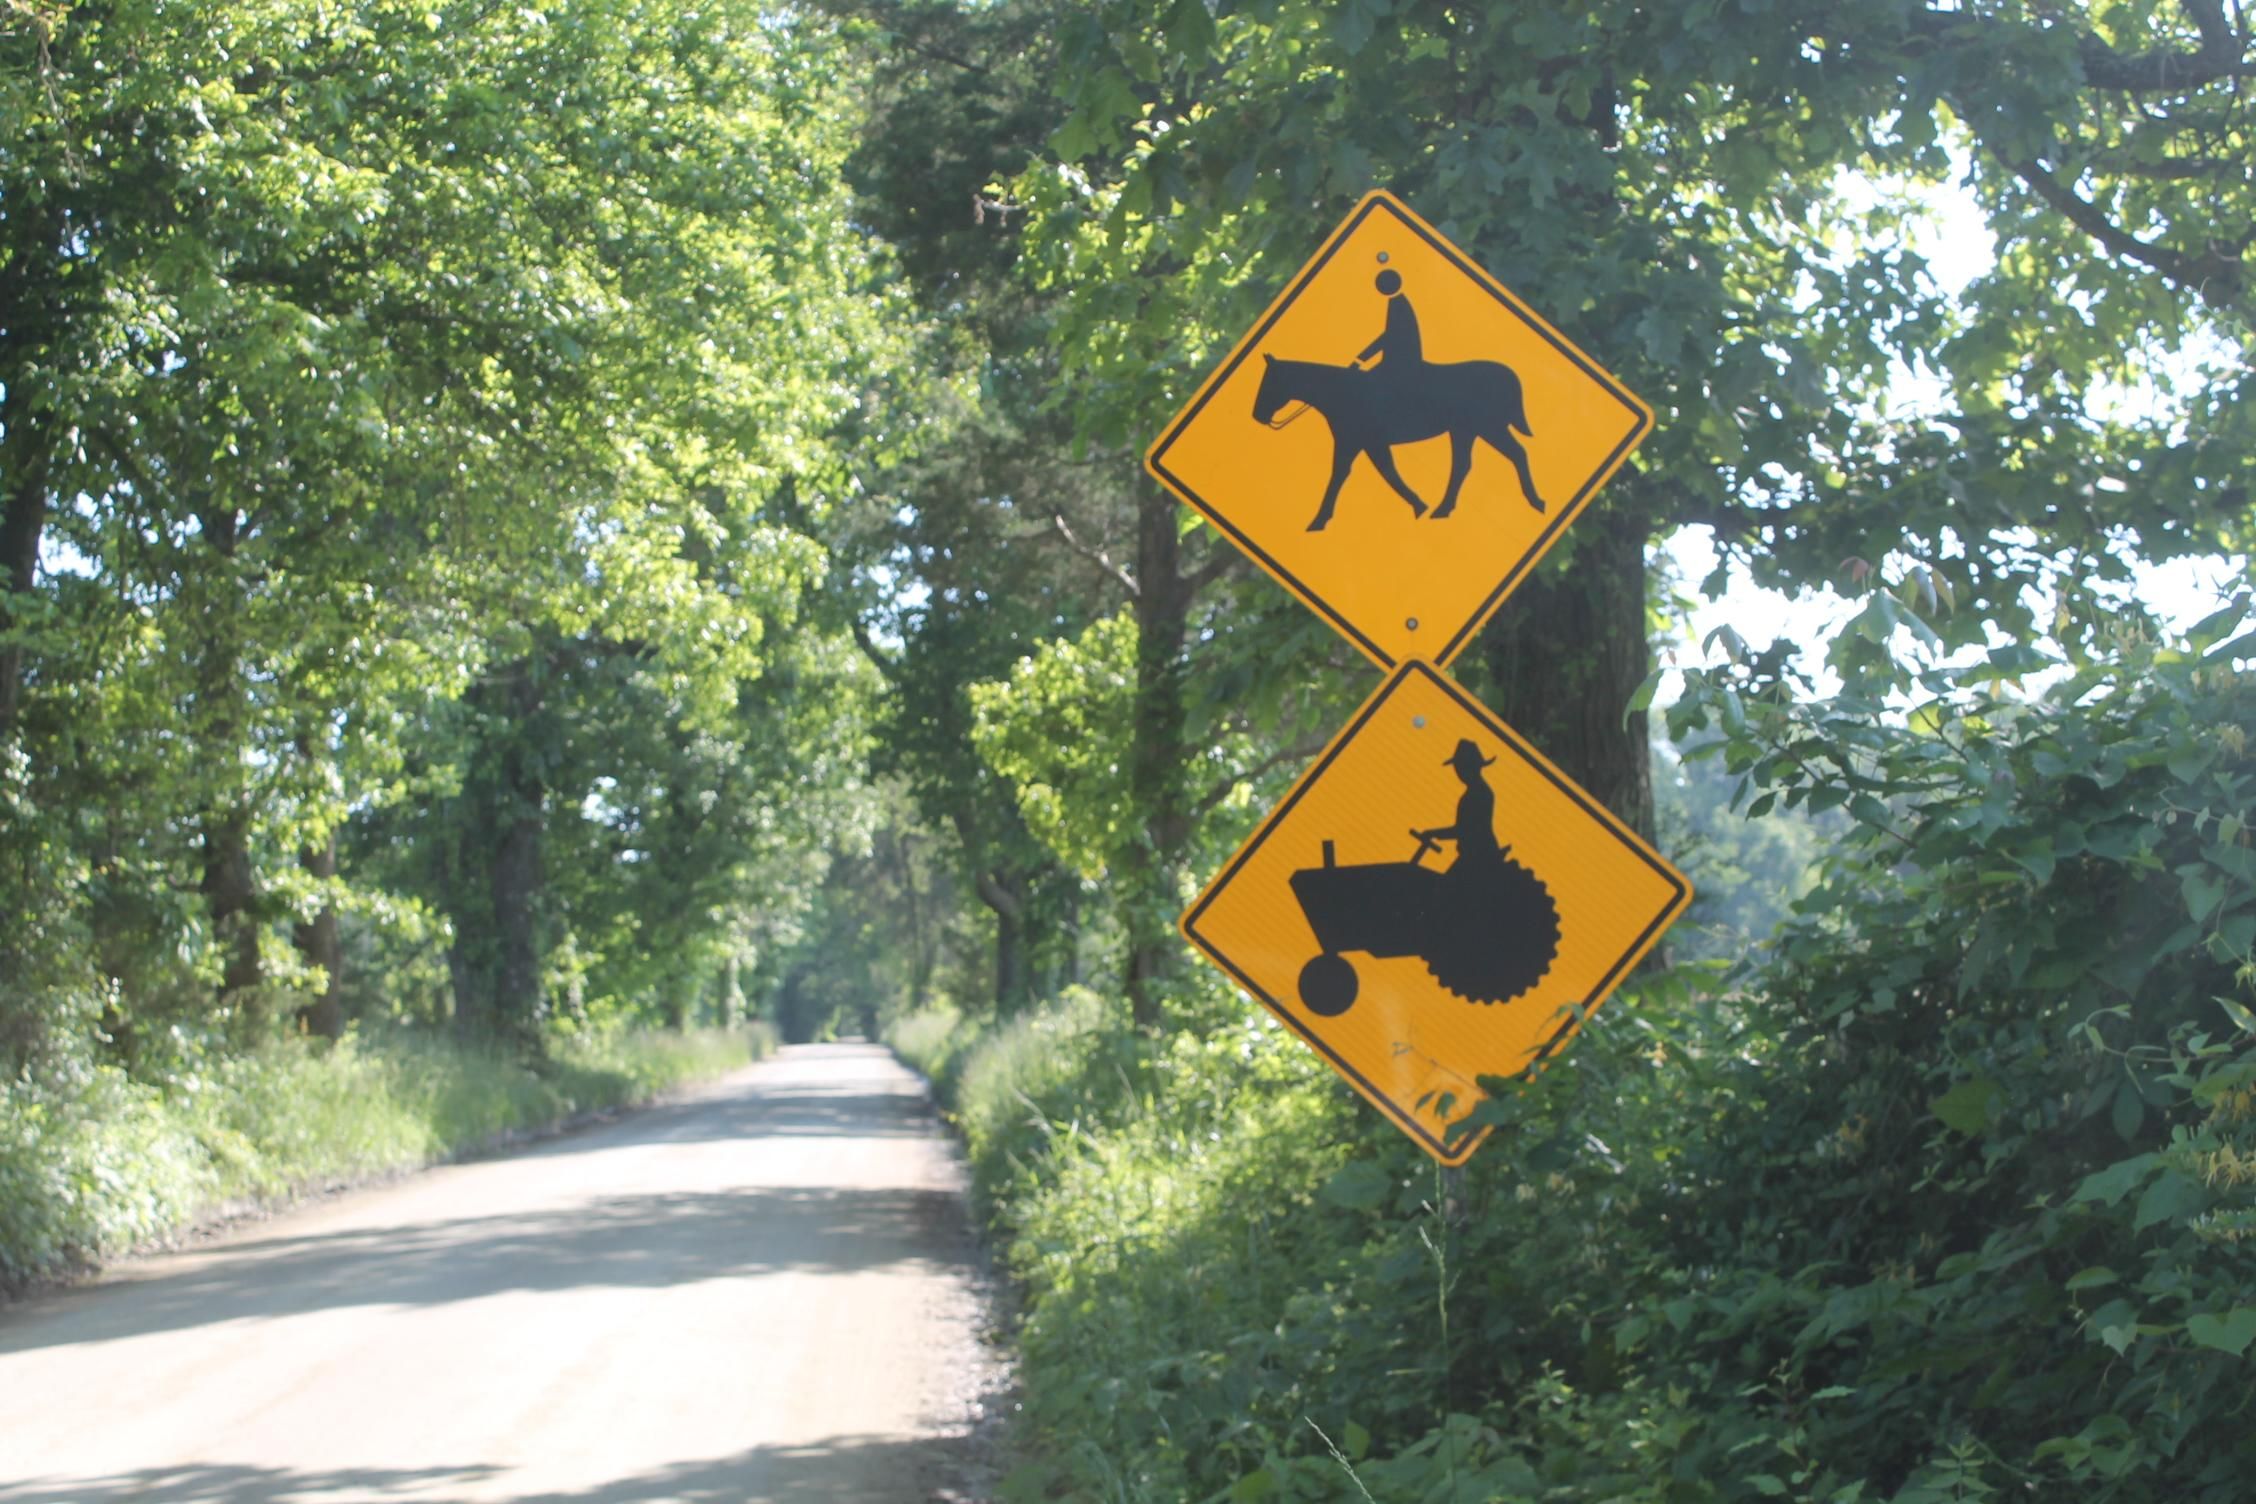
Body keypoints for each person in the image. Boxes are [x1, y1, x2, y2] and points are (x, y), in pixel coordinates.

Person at [1416, 739, 1499, 869]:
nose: (1457, 771)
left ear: (1470, 767)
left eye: (1460, 766)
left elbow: (1466, 830)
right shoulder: (1475, 792)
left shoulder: (1480, 794)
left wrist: (1433, 833)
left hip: (1479, 857)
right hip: (1472, 855)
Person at [1357, 268, 1423, 369]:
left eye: (1381, 282)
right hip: (1399, 359)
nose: (1378, 285)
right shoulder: (1397, 302)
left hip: (1400, 362)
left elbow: (1388, 337)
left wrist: (1361, 359)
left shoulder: (1399, 306)